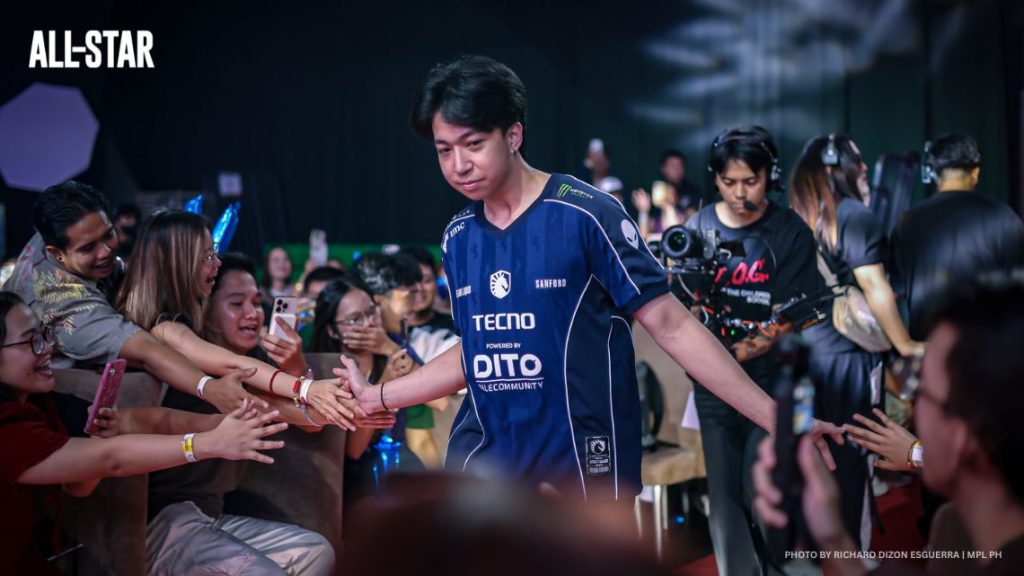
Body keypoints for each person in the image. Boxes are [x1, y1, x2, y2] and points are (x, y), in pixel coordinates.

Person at [336, 56, 843, 503]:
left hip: (581, 468)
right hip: (482, 467)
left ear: (513, 135)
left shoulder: (587, 213)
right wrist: (379, 397)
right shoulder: (458, 235)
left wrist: (778, 418)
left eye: (472, 144)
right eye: (444, 150)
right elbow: (477, 351)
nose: (459, 165)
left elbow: (673, 325)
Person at [752, 271, 1024, 575]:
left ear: (961, 438)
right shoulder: (959, 526)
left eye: (920, 389)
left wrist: (916, 454)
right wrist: (832, 538)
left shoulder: (957, 535)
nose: (912, 406)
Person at [0, 291, 287, 574]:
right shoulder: (7, 426)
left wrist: (224, 426)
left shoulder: (43, 403)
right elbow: (111, 459)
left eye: (44, 336)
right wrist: (208, 444)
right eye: (30, 341)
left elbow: (80, 484)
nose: (47, 348)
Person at [684, 126, 833, 574]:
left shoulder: (789, 231)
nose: (739, 192)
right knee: (725, 497)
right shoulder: (698, 227)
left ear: (769, 175)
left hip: (775, 385)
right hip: (713, 392)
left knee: (769, 489)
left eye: (750, 180)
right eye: (728, 182)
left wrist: (723, 360)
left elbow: (789, 317)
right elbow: (688, 307)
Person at [142, 253, 340, 576]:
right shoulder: (184, 355)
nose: (252, 313)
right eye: (237, 304)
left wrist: (296, 366)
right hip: (165, 518)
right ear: (205, 309)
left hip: (211, 515)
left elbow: (305, 419)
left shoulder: (255, 359)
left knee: (318, 553)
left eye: (257, 302)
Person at [4, 181, 256, 416]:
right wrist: (207, 388)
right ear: (56, 253)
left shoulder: (57, 226)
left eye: (108, 234)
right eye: (88, 248)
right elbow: (146, 351)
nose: (106, 252)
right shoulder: (69, 308)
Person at [789, 133, 918, 550]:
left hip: (806, 355)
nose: (863, 169)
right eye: (855, 160)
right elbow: (875, 287)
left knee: (814, 457)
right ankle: (851, 558)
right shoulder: (854, 216)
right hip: (851, 360)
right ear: (833, 167)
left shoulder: (798, 217)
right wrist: (905, 345)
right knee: (854, 457)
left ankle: (813, 552)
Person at [115, 211, 359, 428]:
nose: (216, 263)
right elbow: (232, 364)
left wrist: (350, 407)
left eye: (255, 302)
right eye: (207, 257)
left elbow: (292, 414)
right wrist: (307, 389)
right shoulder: (164, 328)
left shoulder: (251, 350)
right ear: (178, 264)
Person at [890, 133, 1024, 341]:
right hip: (988, 352)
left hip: (928, 351)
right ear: (976, 173)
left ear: (934, 175)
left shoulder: (906, 222)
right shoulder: (1004, 218)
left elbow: (896, 289)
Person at [308, 275, 414, 521]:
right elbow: (354, 451)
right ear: (332, 330)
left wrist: (389, 348)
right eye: (355, 319)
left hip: (395, 456)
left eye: (372, 312)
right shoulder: (329, 371)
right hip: (350, 473)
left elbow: (436, 396)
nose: (369, 324)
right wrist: (386, 381)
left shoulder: (393, 345)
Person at [355, 252, 449, 469]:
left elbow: (440, 401)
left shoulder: (396, 343)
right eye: (408, 296)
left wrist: (388, 347)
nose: (414, 307)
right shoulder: (345, 348)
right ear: (379, 300)